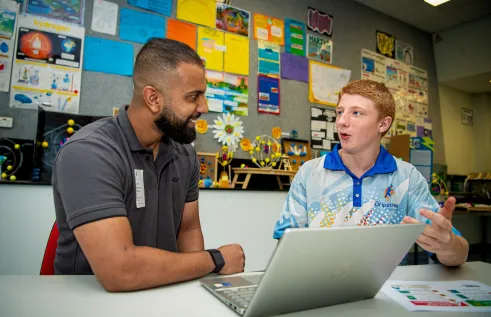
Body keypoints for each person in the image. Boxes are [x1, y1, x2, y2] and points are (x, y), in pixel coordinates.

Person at [52, 38, 245, 291]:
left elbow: (188, 228)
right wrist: (215, 260)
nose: (204, 107)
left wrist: (195, 293)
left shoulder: (184, 154)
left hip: (161, 291)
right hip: (88, 301)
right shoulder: (89, 152)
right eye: (193, 97)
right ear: (153, 98)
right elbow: (120, 271)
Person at [273, 80, 469, 267]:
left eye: (356, 113)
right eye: (340, 112)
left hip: (387, 292)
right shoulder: (309, 173)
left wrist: (448, 245)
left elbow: (459, 253)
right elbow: (285, 243)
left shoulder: (407, 178)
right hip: (318, 288)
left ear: (383, 124)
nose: (341, 121)